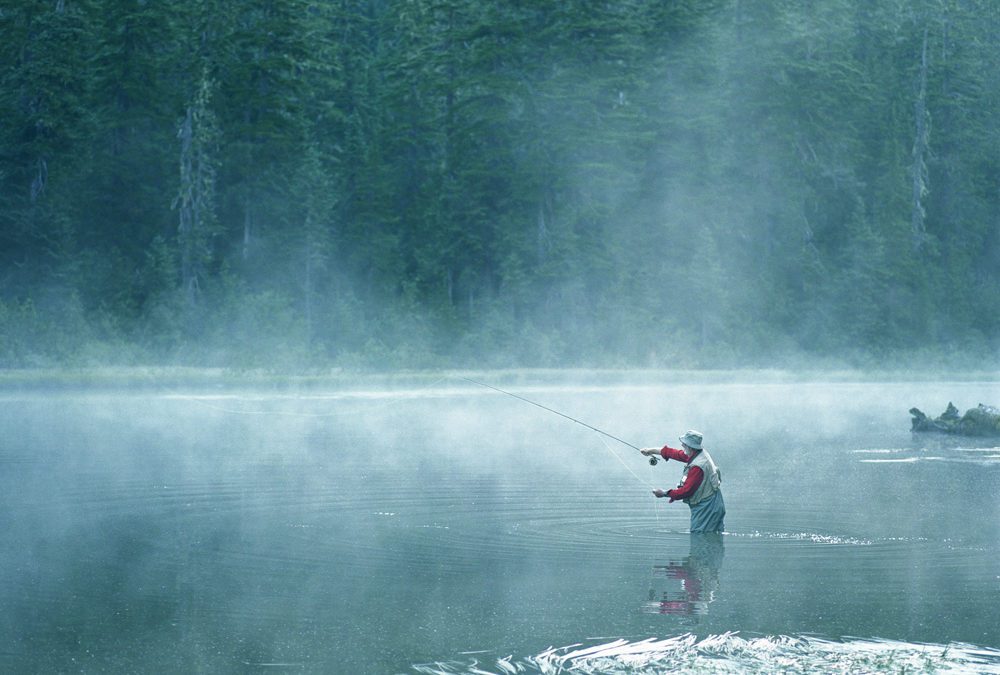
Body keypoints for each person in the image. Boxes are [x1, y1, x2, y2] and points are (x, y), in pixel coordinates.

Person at [641, 430, 725, 533]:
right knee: (713, 538)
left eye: (684, 444)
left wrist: (664, 493)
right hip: (714, 502)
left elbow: (686, 491)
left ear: (690, 447)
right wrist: (650, 451)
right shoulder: (697, 453)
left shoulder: (698, 467)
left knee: (699, 536)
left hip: (707, 507)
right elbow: (675, 453)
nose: (682, 445)